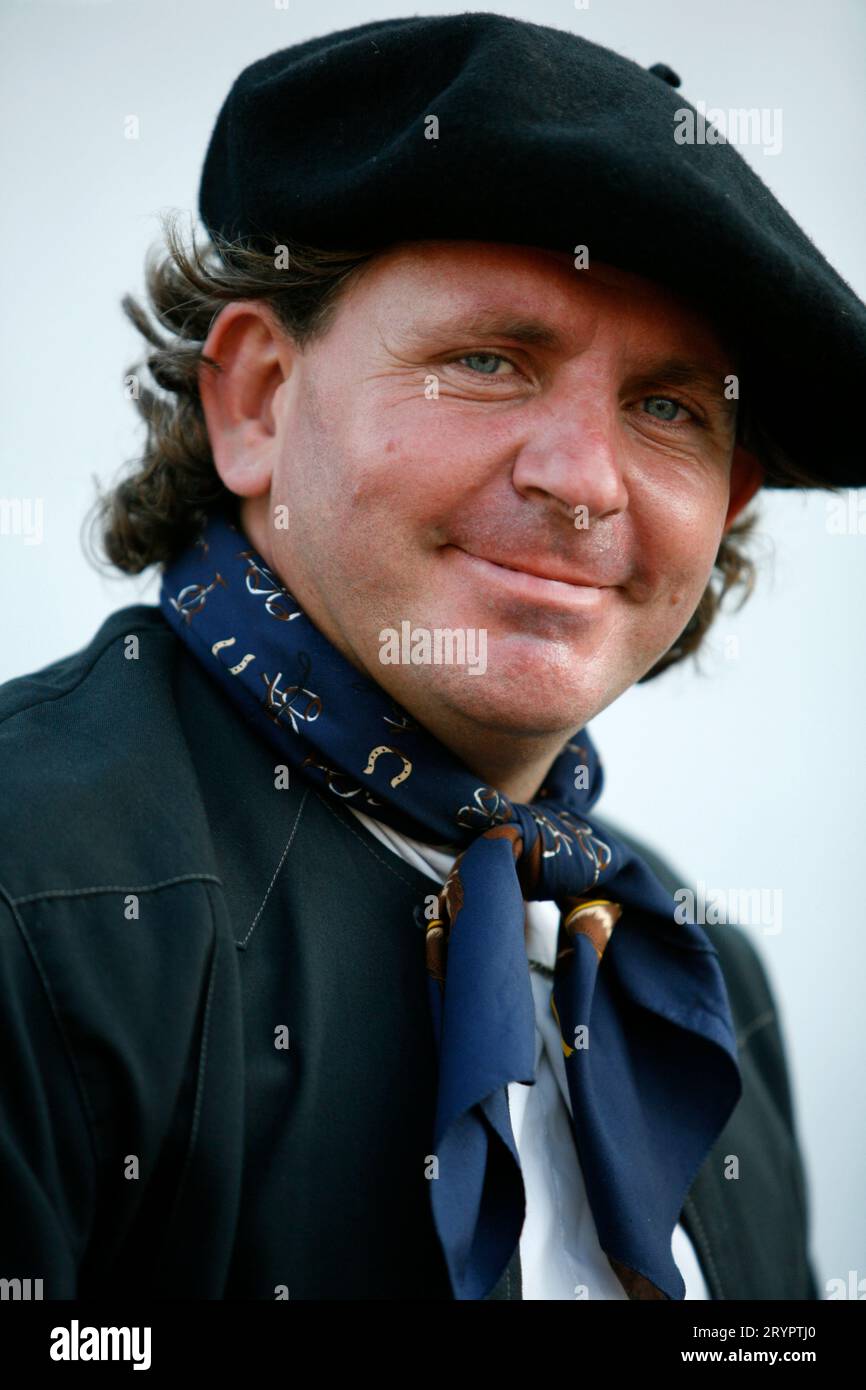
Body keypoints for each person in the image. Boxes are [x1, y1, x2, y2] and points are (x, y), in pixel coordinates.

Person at [2, 12, 862, 1302]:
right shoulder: (28, 885)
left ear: (728, 500)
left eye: (668, 408)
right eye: (486, 361)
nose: (582, 481)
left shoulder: (695, 969)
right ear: (256, 399)